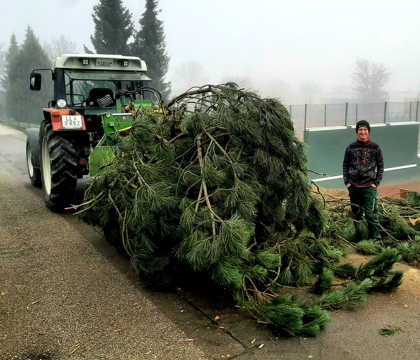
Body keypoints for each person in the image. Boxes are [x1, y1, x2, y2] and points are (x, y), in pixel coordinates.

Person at [342, 120, 384, 241]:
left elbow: (380, 166)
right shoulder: (350, 147)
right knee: (356, 213)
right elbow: (345, 164)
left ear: (368, 131)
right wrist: (347, 182)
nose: (363, 132)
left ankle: (376, 239)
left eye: (365, 130)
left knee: (371, 214)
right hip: (353, 186)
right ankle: (359, 236)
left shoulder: (376, 147)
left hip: (369, 186)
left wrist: (376, 183)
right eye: (360, 130)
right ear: (357, 131)